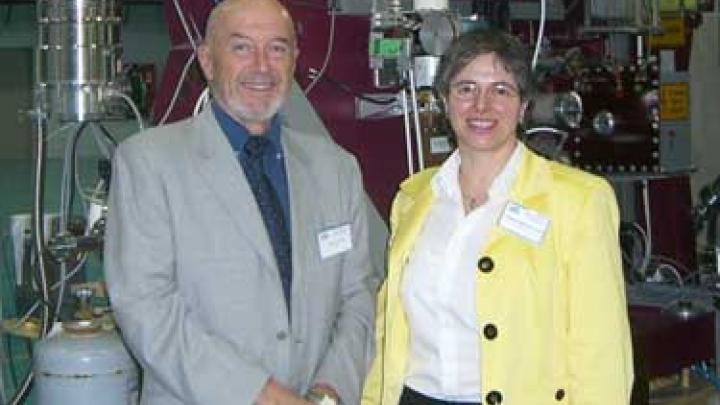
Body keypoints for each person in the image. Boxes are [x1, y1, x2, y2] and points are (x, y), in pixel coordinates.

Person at [104, 0, 378, 404]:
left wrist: (329, 391)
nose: (262, 66)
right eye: (241, 48)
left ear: (294, 60)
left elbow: (359, 294)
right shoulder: (148, 163)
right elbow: (146, 309)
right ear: (207, 61)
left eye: (277, 48)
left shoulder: (336, 168)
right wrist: (262, 396)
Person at [362, 29, 633, 404]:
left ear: (523, 107)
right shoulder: (413, 198)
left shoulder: (578, 201)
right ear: (444, 101)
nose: (482, 106)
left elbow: (601, 350)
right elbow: (387, 331)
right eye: (466, 88)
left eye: (501, 90)